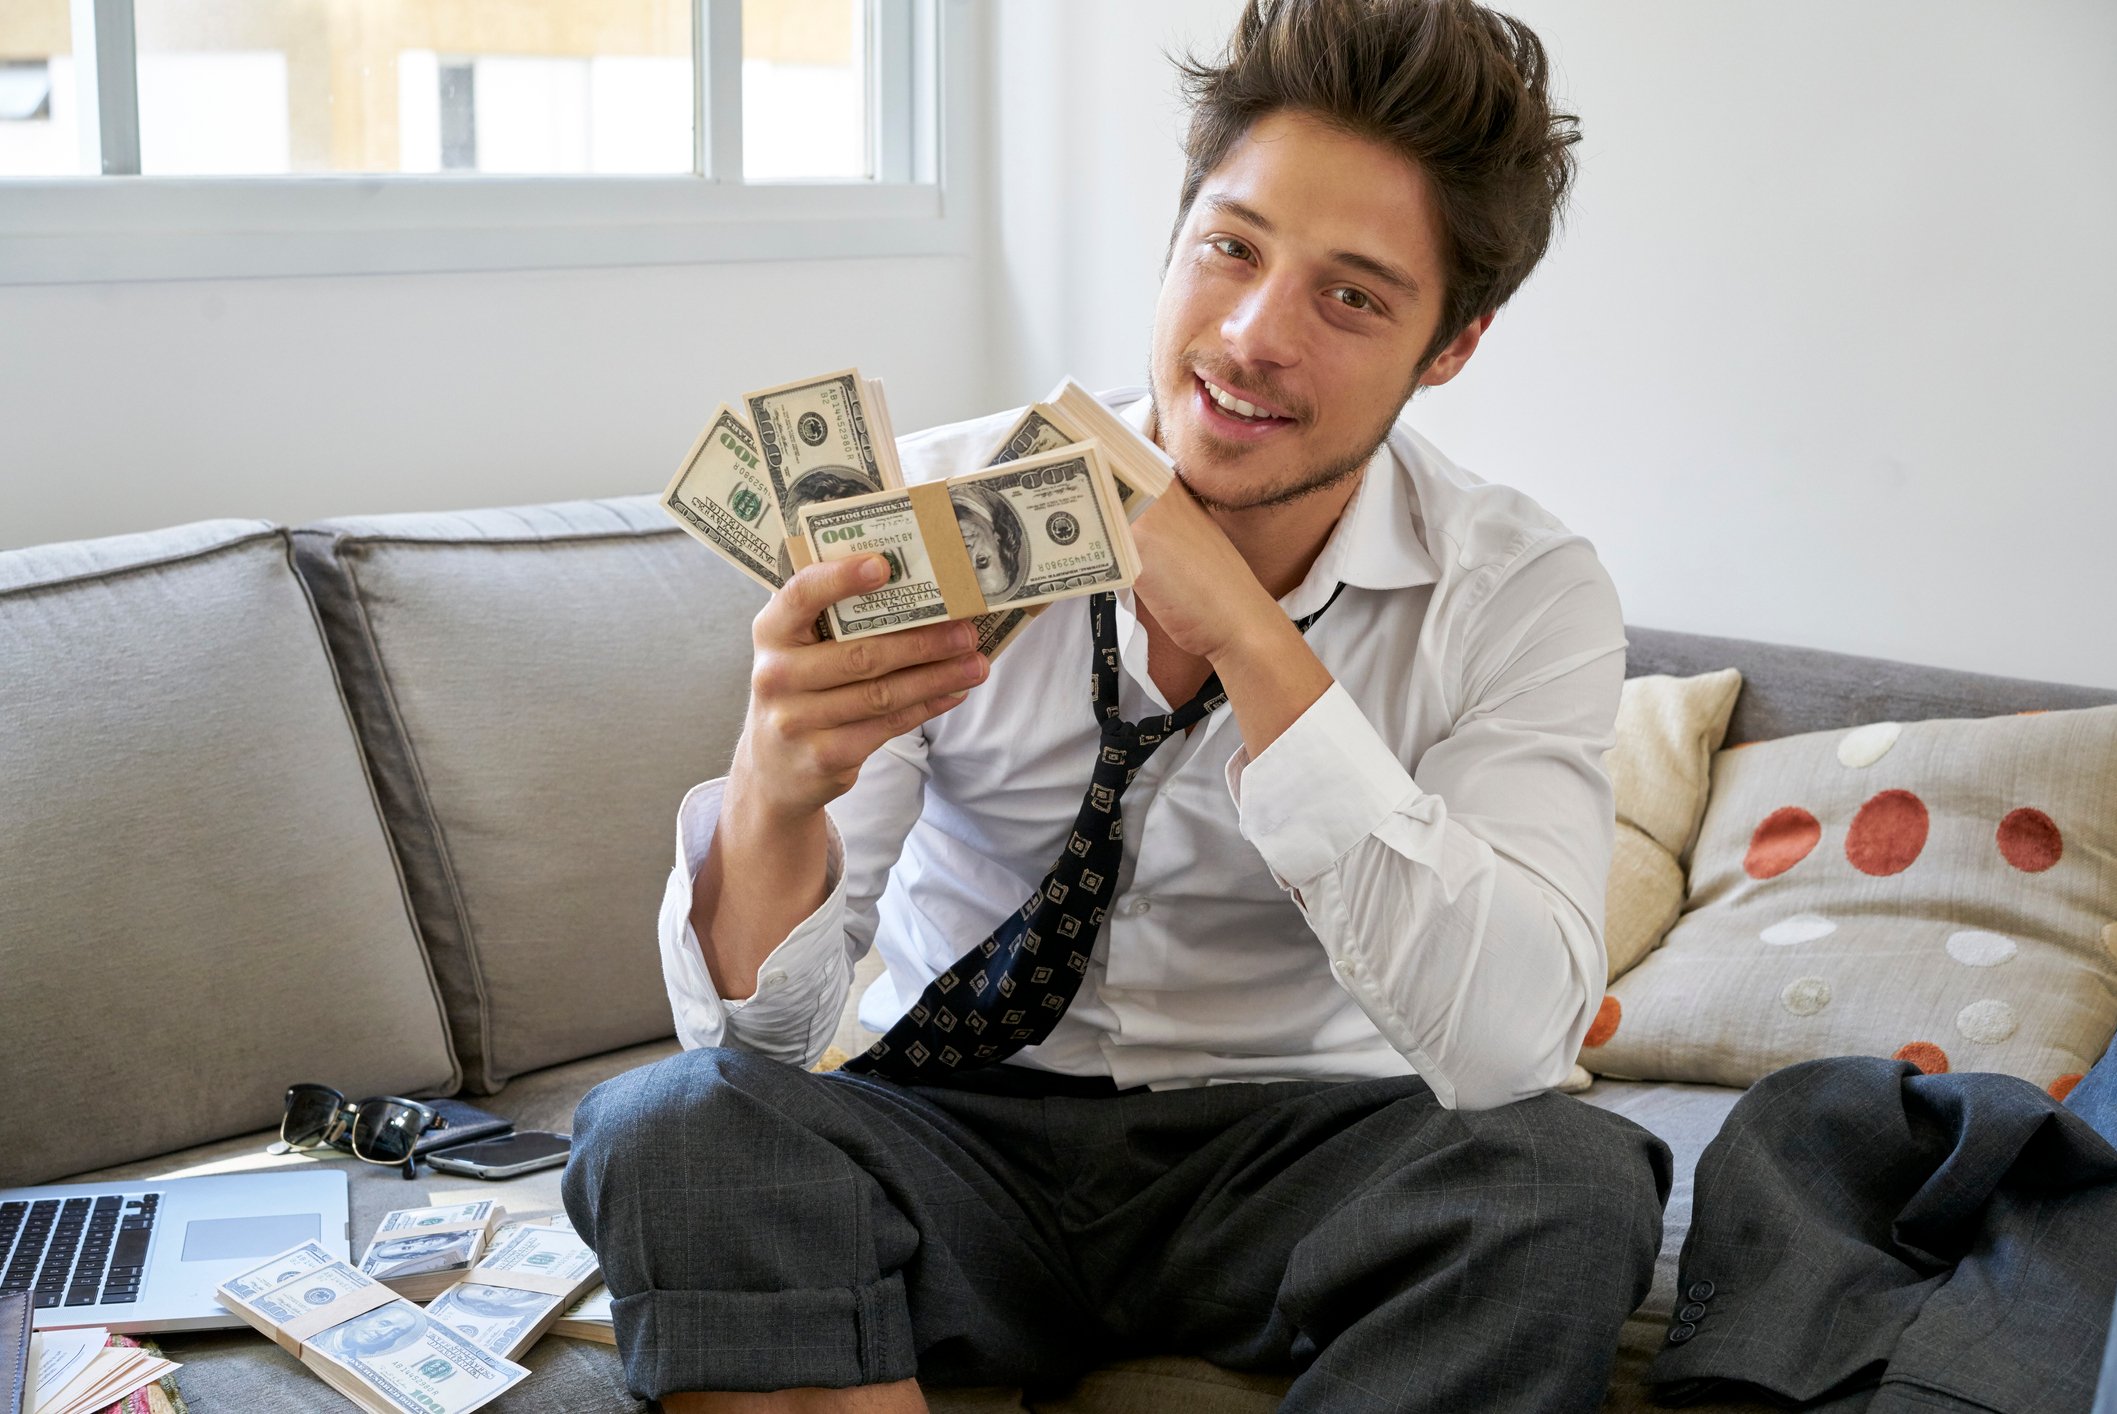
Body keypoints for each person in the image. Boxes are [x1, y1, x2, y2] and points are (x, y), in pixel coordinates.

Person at [564, 2, 1672, 1410]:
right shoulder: (929, 512)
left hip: (1299, 1156)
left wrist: (1248, 632)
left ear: (1449, 345)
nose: (1253, 336)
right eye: (1232, 247)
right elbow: (756, 1057)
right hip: (946, 1135)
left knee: (1565, 1183)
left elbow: (1513, 1041)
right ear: (1176, 236)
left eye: (1351, 295)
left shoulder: (1522, 590)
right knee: (677, 1128)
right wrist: (776, 787)